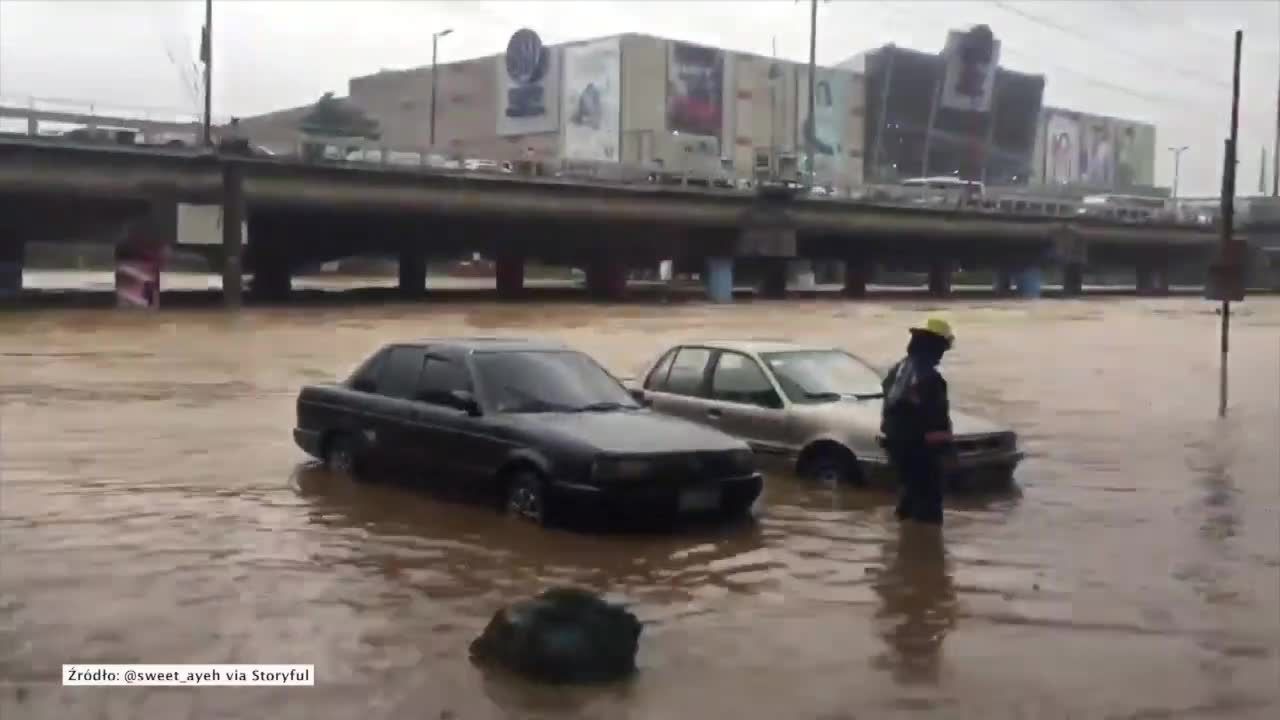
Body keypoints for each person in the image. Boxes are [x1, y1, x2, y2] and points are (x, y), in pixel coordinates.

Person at [880, 318, 956, 526]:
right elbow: (935, 420)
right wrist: (947, 451)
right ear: (935, 346)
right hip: (922, 452)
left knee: (908, 498)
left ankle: (905, 547)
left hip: (897, 447)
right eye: (942, 349)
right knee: (928, 510)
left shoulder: (898, 369)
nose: (942, 355)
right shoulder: (929, 378)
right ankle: (925, 553)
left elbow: (890, 406)